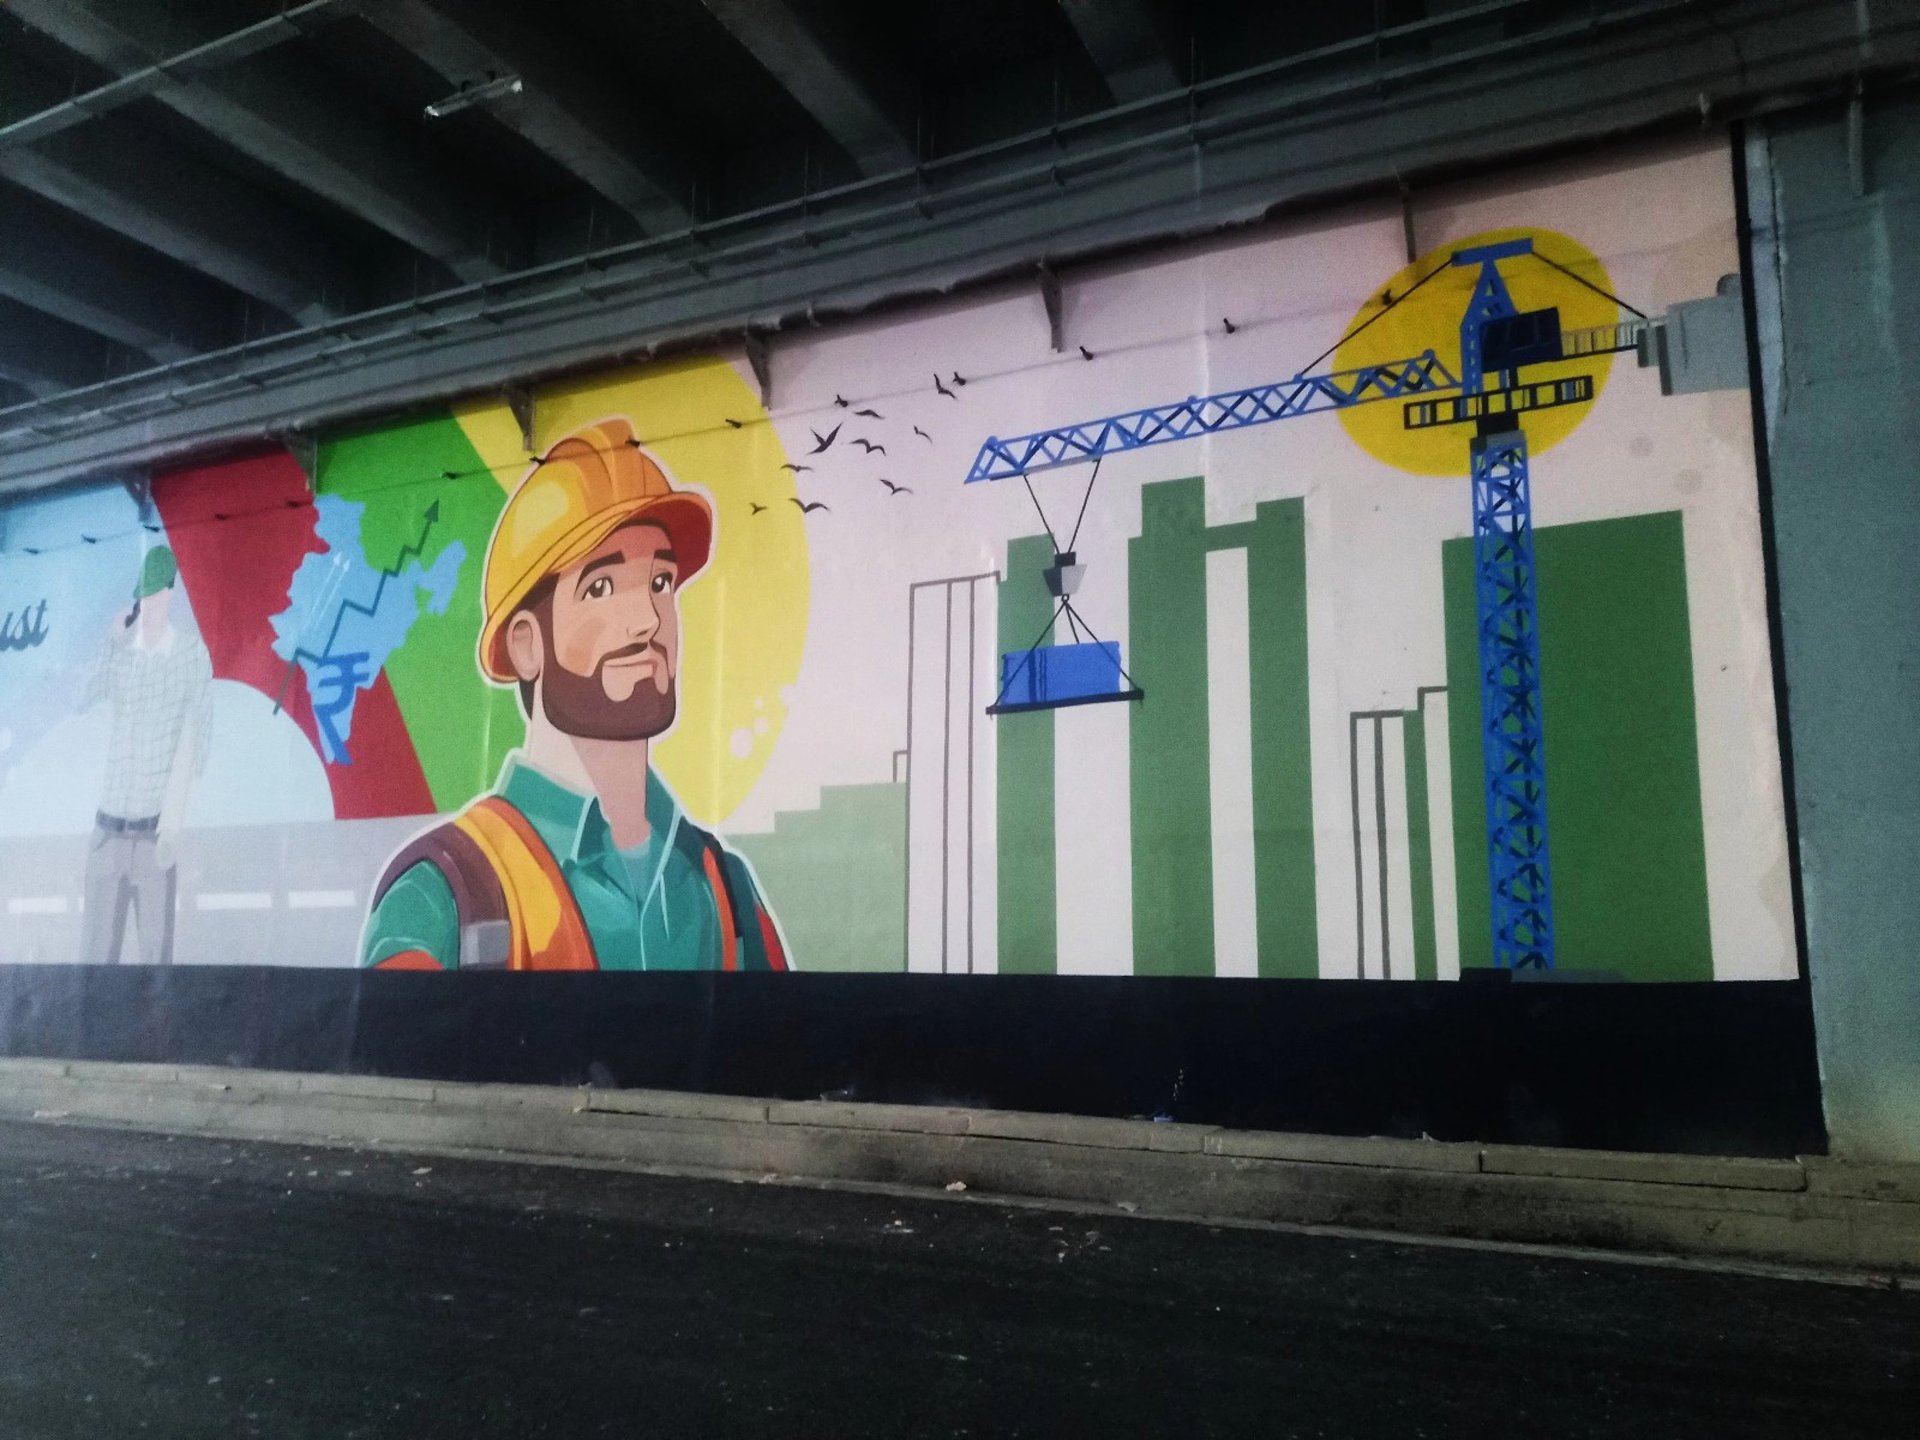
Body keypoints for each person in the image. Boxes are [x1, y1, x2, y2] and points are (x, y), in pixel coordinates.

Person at [360, 418, 788, 972]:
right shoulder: (441, 899)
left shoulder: (728, 893)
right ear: (526, 645)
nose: (646, 620)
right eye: (601, 587)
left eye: (660, 582)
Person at [79, 545, 212, 966]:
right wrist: (112, 643)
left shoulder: (190, 654)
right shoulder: (124, 655)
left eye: (155, 594)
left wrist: (172, 828)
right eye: (144, 596)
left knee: (156, 963)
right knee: (94, 963)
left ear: (170, 592)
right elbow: (85, 697)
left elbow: (199, 740)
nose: (149, 605)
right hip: (107, 831)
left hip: (154, 836)